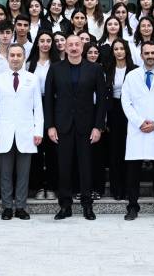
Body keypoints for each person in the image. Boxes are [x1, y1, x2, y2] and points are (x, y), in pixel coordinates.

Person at [44, 32, 107, 220]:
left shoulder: (94, 69)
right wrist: (50, 125)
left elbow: (101, 100)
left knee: (86, 166)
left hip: (86, 126)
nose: (73, 48)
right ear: (65, 47)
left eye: (77, 44)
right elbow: (48, 99)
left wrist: (98, 126)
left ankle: (87, 205)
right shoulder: (55, 69)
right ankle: (65, 206)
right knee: (64, 167)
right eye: (70, 45)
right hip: (62, 125)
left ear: (82, 47)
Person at [122, 41, 154, 221]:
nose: (150, 56)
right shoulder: (131, 76)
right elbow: (126, 102)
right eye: (147, 53)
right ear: (141, 55)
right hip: (137, 129)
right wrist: (139, 122)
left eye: (153, 53)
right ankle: (132, 207)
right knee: (133, 173)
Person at [0, 43, 42, 220]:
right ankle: (6, 207)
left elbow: (38, 107)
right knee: (5, 174)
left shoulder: (32, 79)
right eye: (12, 55)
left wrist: (38, 131)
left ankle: (20, 207)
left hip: (26, 132)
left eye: (19, 55)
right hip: (4, 132)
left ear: (24, 57)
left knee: (23, 174)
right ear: (7, 57)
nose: (16, 58)